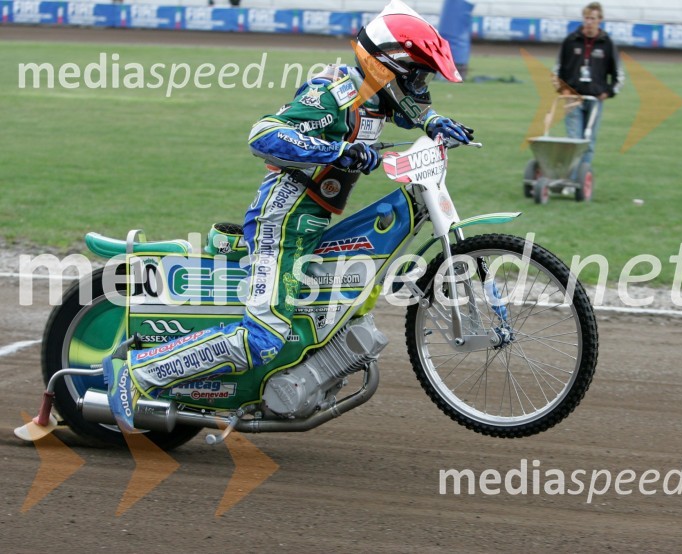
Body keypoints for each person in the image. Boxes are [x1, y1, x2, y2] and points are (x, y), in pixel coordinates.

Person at [103, 0, 474, 433]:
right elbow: (263, 134)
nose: (421, 86)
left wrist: (436, 123)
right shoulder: (332, 93)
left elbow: (412, 110)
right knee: (264, 337)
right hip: (280, 223)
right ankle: (139, 373)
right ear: (389, 66)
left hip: (308, 222)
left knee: (340, 302)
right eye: (418, 76)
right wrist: (336, 151)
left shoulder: (375, 95)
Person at [552, 2, 623, 173]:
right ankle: (571, 177)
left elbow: (618, 76)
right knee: (574, 140)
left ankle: (582, 177)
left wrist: (608, 92)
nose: (589, 22)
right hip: (573, 98)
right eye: (586, 18)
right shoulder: (571, 41)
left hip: (595, 99)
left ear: (600, 20)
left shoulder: (607, 44)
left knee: (589, 140)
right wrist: (563, 90)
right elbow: (557, 71)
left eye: (593, 18)